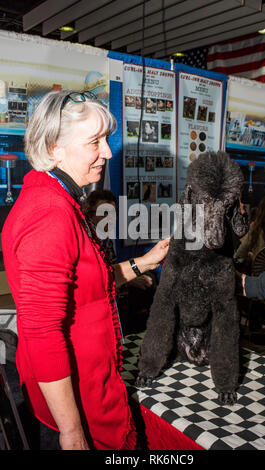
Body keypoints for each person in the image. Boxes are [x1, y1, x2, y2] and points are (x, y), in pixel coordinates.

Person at [1, 90, 170, 451]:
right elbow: (44, 332)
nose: (107, 152)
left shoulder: (58, 198)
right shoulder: (48, 212)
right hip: (74, 404)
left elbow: (91, 284)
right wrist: (71, 430)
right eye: (95, 141)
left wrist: (147, 260)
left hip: (92, 384)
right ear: (54, 147)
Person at [82, 189, 157, 334]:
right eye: (104, 213)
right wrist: (130, 280)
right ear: (90, 214)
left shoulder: (105, 239)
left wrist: (130, 279)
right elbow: (96, 278)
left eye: (113, 213)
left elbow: (110, 270)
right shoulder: (86, 240)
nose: (110, 218)